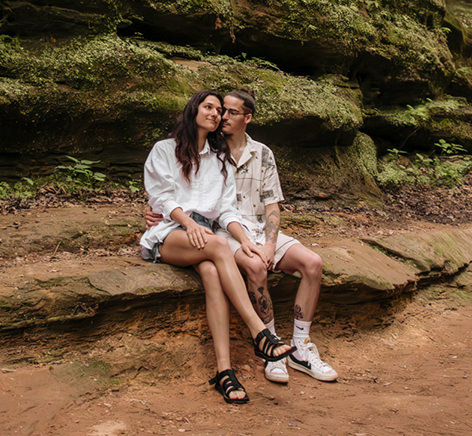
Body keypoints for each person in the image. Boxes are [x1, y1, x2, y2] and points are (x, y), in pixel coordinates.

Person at [145, 90, 339, 384]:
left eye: (222, 110)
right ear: (193, 110)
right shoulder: (166, 149)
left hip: (220, 234)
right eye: (210, 108)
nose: (218, 115)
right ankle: (261, 333)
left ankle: (226, 372)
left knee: (214, 273)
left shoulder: (219, 158)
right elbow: (162, 196)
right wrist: (182, 220)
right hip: (181, 232)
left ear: (247, 119)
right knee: (229, 251)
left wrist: (255, 241)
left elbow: (226, 210)